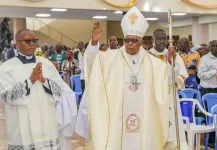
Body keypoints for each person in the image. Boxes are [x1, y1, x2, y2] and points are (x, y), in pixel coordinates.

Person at [84, 6, 170, 150]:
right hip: (117, 114)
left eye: (134, 40)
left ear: (141, 41)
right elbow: (93, 62)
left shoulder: (153, 64)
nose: (129, 43)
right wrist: (93, 44)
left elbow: (164, 82)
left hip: (144, 115)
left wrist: (169, 64)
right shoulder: (111, 59)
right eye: (127, 40)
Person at [0, 29, 67, 149]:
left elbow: (60, 90)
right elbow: (7, 96)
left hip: (45, 118)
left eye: (34, 40)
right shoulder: (6, 67)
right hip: (22, 122)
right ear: (17, 43)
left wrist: (43, 80)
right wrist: (30, 81)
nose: (32, 44)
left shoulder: (46, 64)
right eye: (27, 41)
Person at [149, 29, 189, 149]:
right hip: (154, 96)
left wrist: (171, 64)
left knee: (173, 128)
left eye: (164, 38)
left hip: (171, 95)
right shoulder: (147, 56)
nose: (162, 41)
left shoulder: (174, 55)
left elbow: (182, 76)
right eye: (159, 38)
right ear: (153, 40)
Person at [198, 40, 217, 148]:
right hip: (207, 91)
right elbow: (200, 75)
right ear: (209, 46)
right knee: (210, 116)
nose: (215, 48)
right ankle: (210, 141)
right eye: (213, 46)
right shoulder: (204, 59)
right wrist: (214, 72)